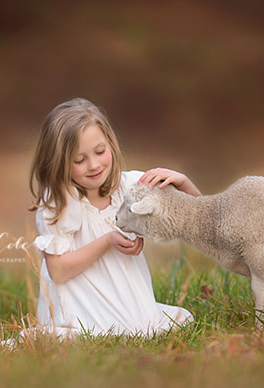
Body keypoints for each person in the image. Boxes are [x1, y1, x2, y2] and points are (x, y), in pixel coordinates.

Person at [25, 97, 197, 339]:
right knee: (104, 334)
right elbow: (58, 271)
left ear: (111, 145)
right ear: (58, 162)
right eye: (79, 160)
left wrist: (183, 182)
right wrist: (107, 241)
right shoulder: (60, 202)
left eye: (100, 151)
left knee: (156, 326)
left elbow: (200, 217)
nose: (94, 165)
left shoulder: (128, 188)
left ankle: (131, 321)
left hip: (128, 302)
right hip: (79, 310)